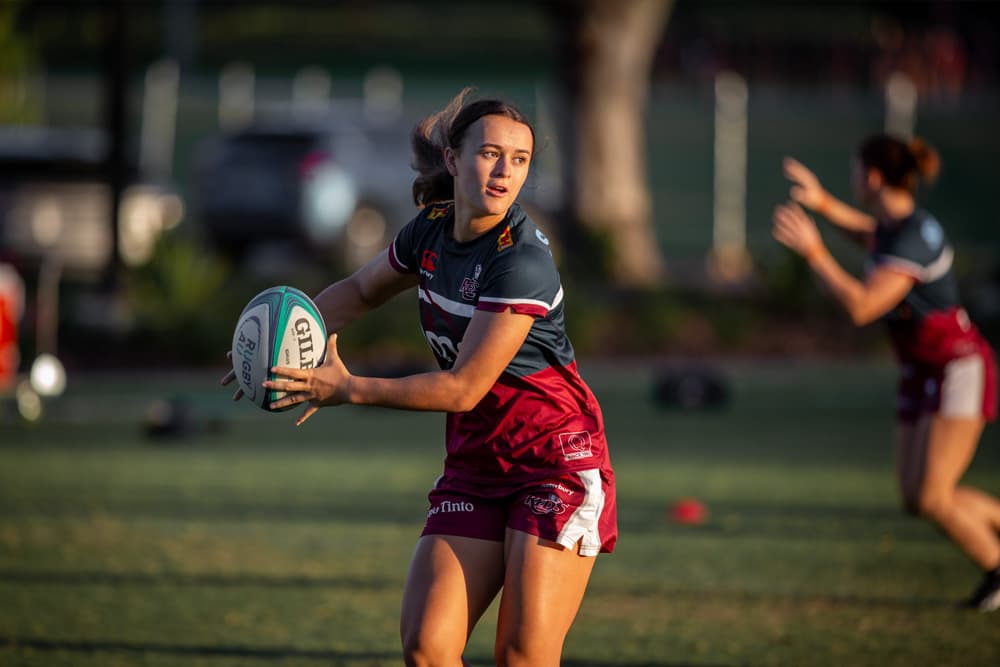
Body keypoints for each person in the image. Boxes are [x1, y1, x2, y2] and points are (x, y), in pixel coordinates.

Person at [222, 88, 617, 664]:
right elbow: (358, 291)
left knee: (522, 655)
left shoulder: (520, 260)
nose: (505, 171)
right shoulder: (429, 230)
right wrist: (276, 345)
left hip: (554, 463)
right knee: (427, 648)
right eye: (489, 153)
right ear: (454, 160)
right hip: (476, 464)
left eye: (520, 159)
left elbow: (463, 388)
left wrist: (349, 387)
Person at [772, 134, 999, 612]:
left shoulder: (912, 237)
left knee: (936, 498)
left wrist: (814, 251)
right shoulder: (898, 226)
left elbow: (862, 307)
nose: (853, 178)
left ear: (873, 176)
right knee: (918, 498)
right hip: (923, 370)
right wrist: (824, 205)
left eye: (855, 170)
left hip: (957, 366)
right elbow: (867, 234)